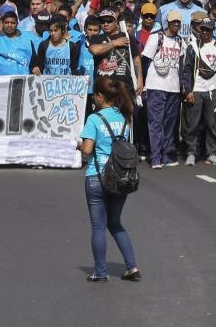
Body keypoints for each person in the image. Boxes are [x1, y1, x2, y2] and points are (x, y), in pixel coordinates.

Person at [79, 75, 140, 283]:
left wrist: (78, 145)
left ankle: (100, 271)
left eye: (94, 95)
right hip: (120, 176)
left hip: (96, 176)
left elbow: (87, 150)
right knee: (115, 223)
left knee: (98, 226)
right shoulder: (124, 117)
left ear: (99, 96)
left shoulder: (94, 119)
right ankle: (131, 266)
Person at [140, 10, 187, 168]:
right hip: (156, 86)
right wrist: (145, 83)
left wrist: (181, 84)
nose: (175, 24)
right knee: (156, 122)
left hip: (173, 88)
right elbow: (145, 61)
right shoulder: (157, 37)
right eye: (173, 21)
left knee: (169, 123)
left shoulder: (181, 41)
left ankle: (166, 155)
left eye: (178, 22)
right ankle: (155, 157)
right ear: (167, 22)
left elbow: (181, 64)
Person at [178, 12, 216, 166]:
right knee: (192, 123)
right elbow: (186, 69)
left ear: (213, 30)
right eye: (202, 29)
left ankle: (211, 153)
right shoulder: (193, 47)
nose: (204, 32)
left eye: (207, 30)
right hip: (196, 89)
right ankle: (191, 152)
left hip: (212, 90)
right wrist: (188, 90)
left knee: (213, 124)